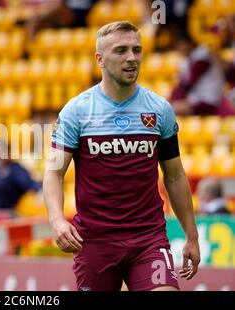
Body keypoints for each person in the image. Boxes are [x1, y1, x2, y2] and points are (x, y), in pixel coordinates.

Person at [43, 21, 200, 291]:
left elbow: (174, 176)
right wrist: (57, 220)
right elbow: (54, 172)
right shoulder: (76, 112)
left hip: (148, 238)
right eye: (121, 50)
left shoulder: (159, 110)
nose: (131, 58)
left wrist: (191, 235)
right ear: (100, 59)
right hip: (94, 241)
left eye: (137, 50)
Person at [170, 33, 226, 115]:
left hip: (209, 99)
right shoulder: (187, 59)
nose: (181, 48)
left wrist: (175, 100)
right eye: (179, 46)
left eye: (183, 44)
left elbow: (188, 84)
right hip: (197, 98)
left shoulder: (202, 57)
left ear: (191, 44)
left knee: (170, 110)